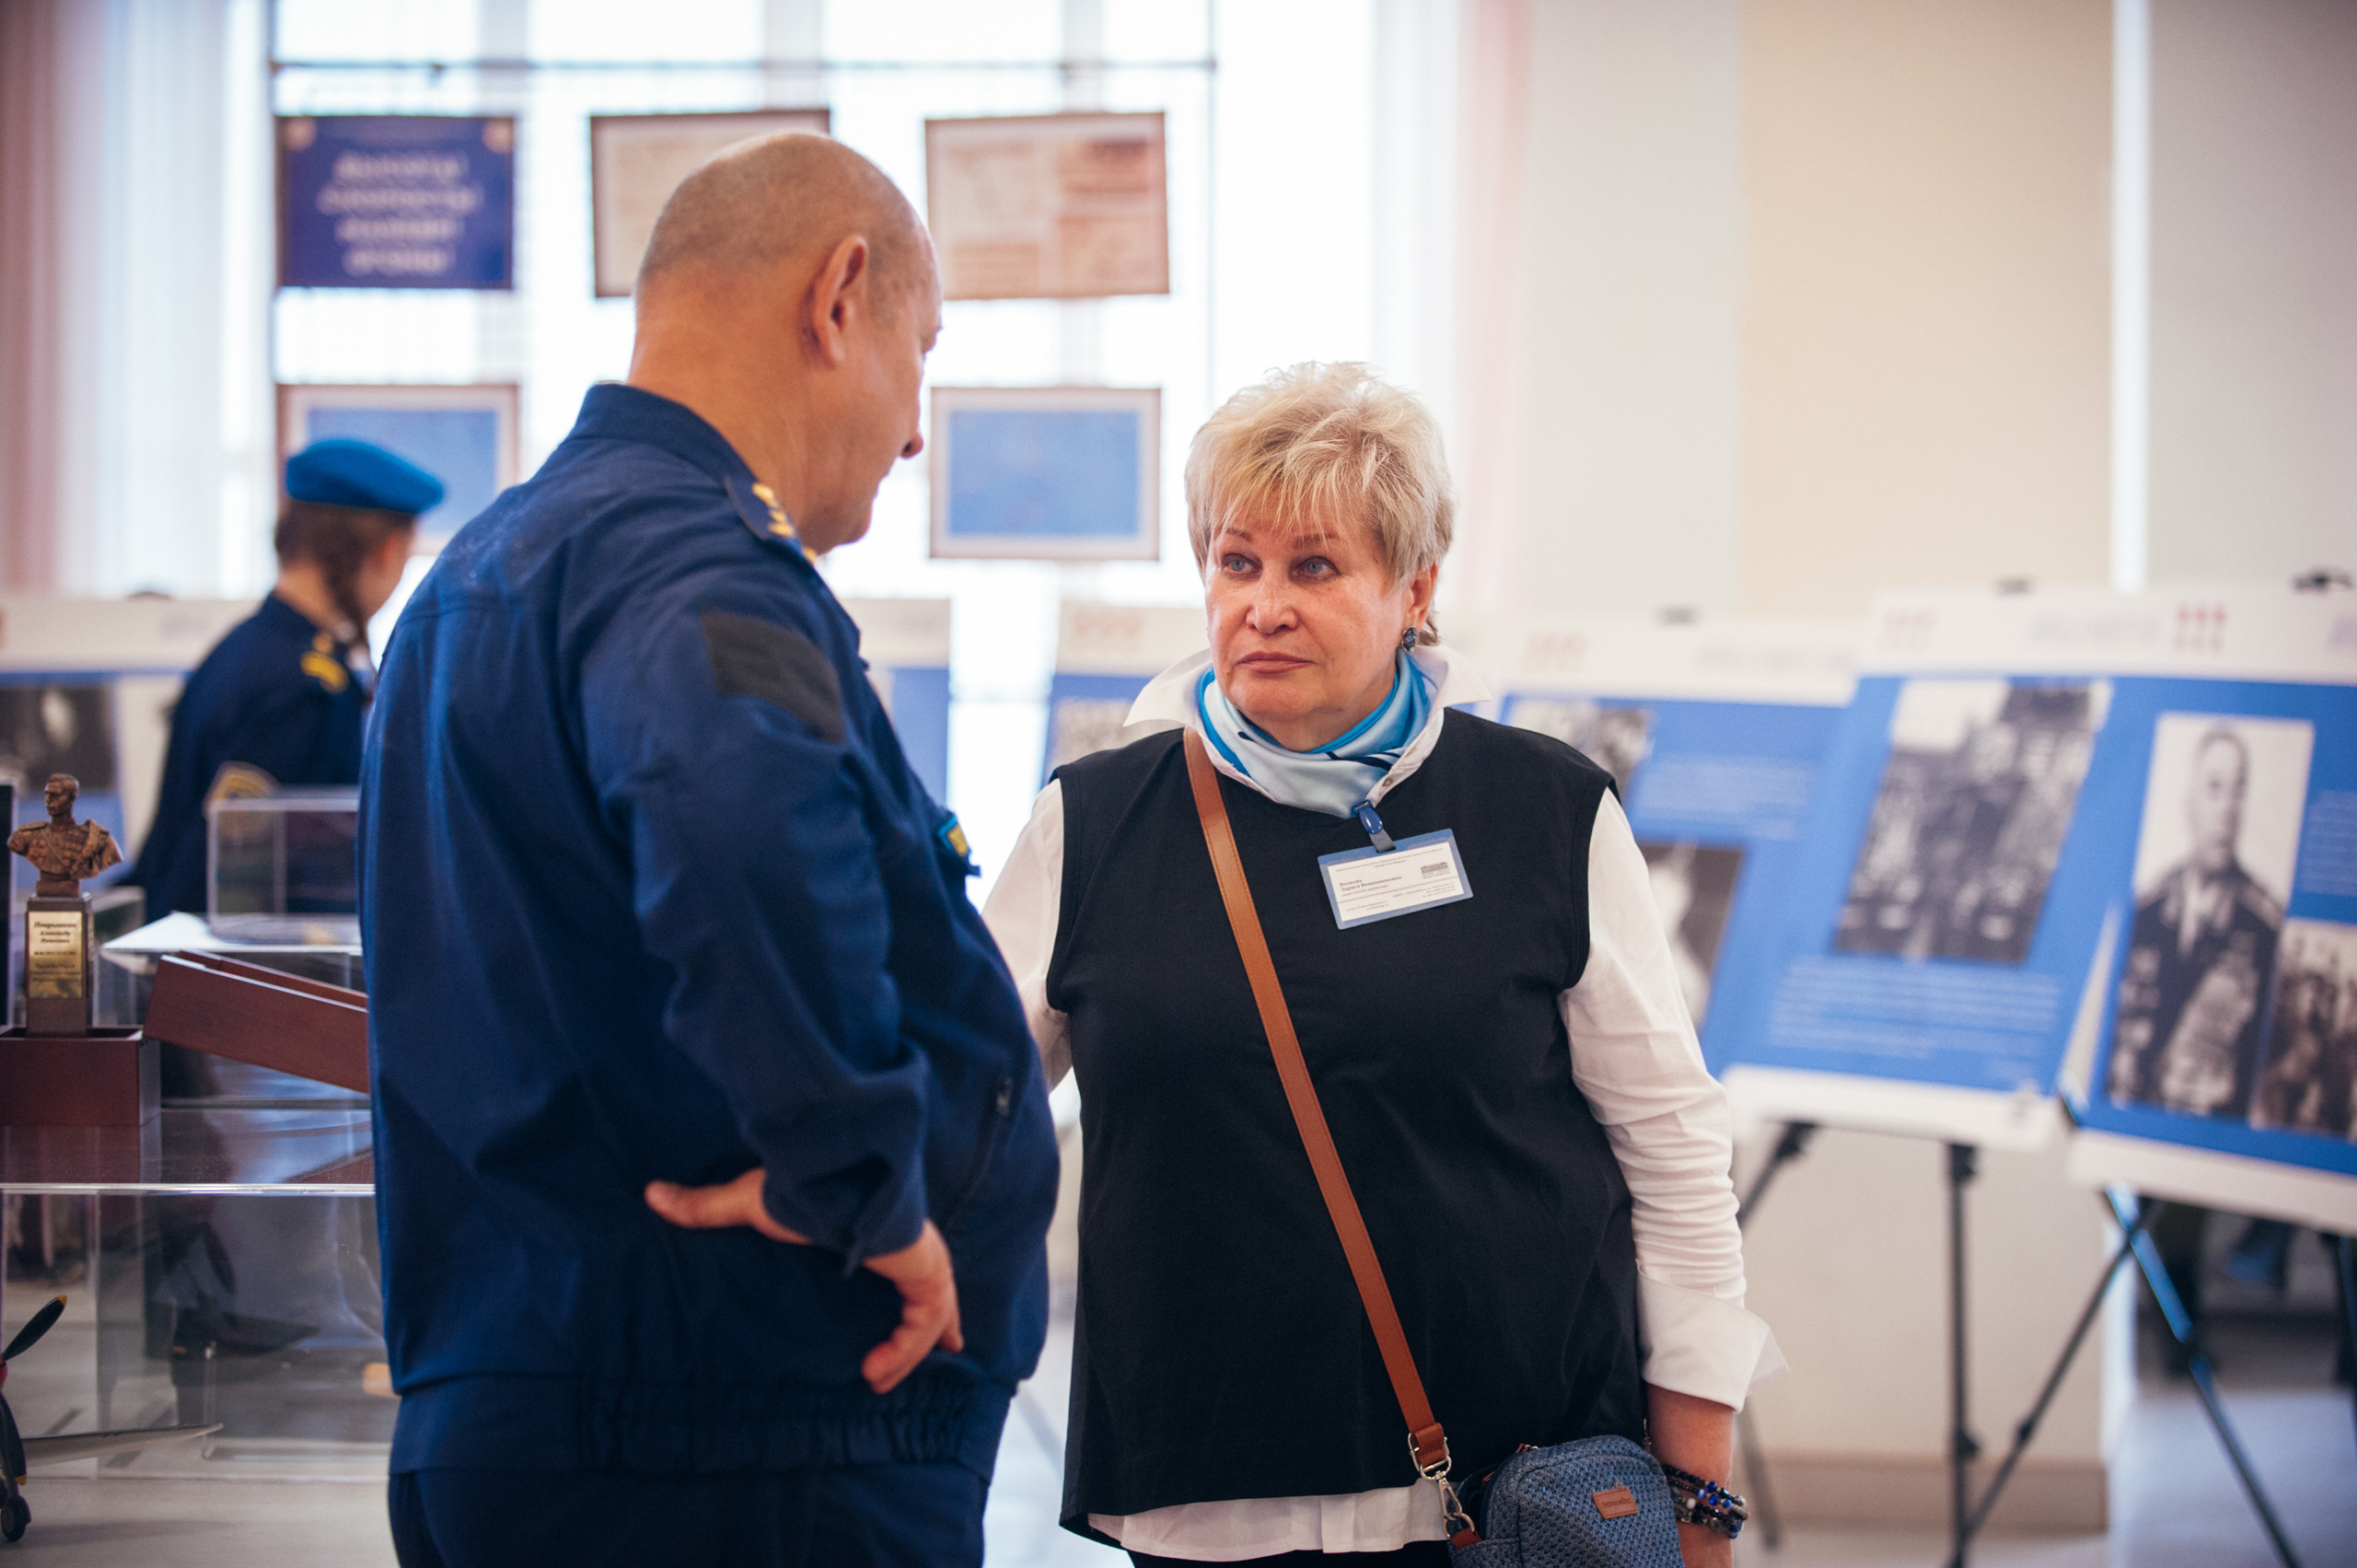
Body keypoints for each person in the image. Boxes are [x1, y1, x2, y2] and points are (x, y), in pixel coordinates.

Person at [359, 134, 1056, 1568]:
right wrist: (858, 1180)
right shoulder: (696, 565)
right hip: (740, 1439)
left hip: (540, 1395)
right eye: (921, 354)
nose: (918, 428)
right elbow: (737, 811)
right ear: (839, 297)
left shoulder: (480, 576)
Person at [984, 364, 1780, 1567]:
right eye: (1235, 561)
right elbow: (967, 1096)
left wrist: (1699, 1498)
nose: (1264, 604)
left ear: (1416, 588)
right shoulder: (1095, 821)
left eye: (1314, 566)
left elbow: (1672, 1155)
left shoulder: (1543, 810)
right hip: (1209, 1482)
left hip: (1514, 1487)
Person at [132, 437, 435, 917]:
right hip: (234, 974)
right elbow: (248, 879)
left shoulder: (248, 649)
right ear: (386, 551)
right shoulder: (301, 687)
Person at [2108, 726, 2282, 1118]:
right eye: (2214, 788)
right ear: (2189, 801)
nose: (2226, 809)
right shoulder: (2145, 914)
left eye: (2238, 791)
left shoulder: (2265, 930)